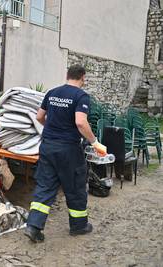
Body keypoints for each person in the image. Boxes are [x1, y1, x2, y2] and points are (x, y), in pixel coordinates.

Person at [23, 65, 107, 242]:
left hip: (47, 147)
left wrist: (53, 130)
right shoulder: (81, 96)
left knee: (45, 186)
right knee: (75, 187)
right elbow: (81, 123)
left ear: (67, 76)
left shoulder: (52, 92)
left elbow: (39, 117)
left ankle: (33, 227)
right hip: (68, 149)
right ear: (82, 77)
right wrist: (95, 142)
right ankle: (79, 226)